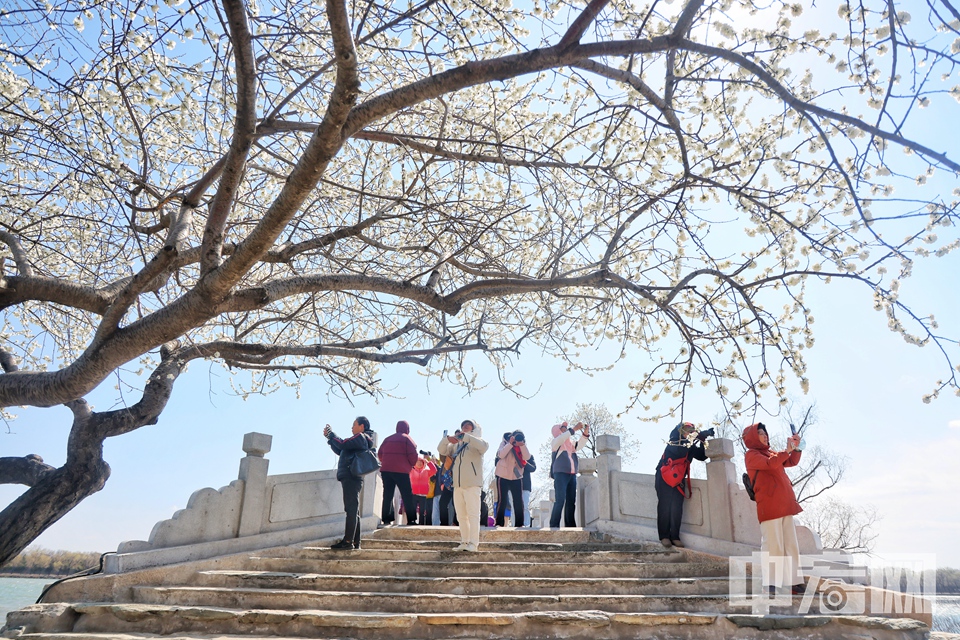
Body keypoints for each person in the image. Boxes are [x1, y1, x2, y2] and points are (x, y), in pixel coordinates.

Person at [743, 422, 804, 595]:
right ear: (753, 437)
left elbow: (790, 461)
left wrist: (795, 448)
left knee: (790, 545)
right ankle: (770, 583)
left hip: (785, 503)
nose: (765, 436)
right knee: (773, 545)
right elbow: (771, 464)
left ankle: (794, 582)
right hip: (769, 505)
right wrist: (786, 450)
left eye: (765, 433)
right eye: (760, 433)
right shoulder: (752, 455)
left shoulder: (771, 453)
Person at [324, 416, 376, 550]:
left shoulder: (360, 437)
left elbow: (342, 444)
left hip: (351, 477)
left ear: (362, 426)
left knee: (351, 510)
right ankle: (355, 542)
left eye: (354, 424)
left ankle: (348, 541)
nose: (352, 427)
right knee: (353, 510)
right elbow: (341, 450)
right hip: (352, 477)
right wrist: (330, 439)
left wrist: (332, 435)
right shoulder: (360, 440)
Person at [655, 422, 708, 548]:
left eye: (691, 431)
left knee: (677, 508)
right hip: (664, 477)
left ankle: (675, 536)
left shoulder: (690, 445)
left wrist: (702, 440)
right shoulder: (674, 441)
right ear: (680, 431)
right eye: (687, 431)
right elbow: (679, 450)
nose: (689, 433)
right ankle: (664, 536)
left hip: (678, 479)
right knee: (665, 506)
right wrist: (695, 437)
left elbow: (702, 456)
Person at [438, 419, 488, 551]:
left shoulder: (478, 442)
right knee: (461, 516)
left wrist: (466, 437)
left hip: (472, 484)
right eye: (463, 426)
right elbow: (441, 450)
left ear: (474, 428)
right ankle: (464, 542)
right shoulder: (456, 445)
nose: (464, 428)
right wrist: (447, 439)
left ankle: (474, 543)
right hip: (457, 485)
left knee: (473, 515)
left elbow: (484, 447)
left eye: (468, 426)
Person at [378, 420, 419, 526]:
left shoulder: (387, 439)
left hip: (386, 470)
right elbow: (413, 455)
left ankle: (386, 518)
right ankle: (411, 519)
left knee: (387, 494)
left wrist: (386, 462)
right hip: (401, 470)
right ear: (407, 429)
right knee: (407, 495)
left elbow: (380, 454)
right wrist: (411, 464)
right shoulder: (407, 438)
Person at [549, 421, 589, 528]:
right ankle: (554, 524)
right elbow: (562, 438)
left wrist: (585, 433)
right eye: (563, 427)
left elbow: (580, 444)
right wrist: (573, 429)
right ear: (557, 431)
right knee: (560, 500)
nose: (565, 428)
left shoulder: (570, 444)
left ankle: (570, 525)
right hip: (560, 474)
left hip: (572, 474)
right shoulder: (556, 442)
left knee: (571, 501)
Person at [494, 430, 530, 527]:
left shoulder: (522, 445)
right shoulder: (505, 443)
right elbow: (500, 454)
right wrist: (510, 444)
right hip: (503, 475)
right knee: (502, 500)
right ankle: (499, 523)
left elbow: (527, 457)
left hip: (516, 476)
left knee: (518, 500)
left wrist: (521, 445)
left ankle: (519, 524)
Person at [409, 454, 438, 526]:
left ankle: (421, 523)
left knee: (422, 511)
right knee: (413, 509)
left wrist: (428, 462)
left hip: (423, 495)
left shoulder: (426, 471)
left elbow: (434, 470)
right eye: (417, 462)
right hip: (414, 494)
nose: (419, 463)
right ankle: (412, 521)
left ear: (423, 463)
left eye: (421, 462)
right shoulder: (411, 471)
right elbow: (405, 467)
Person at [521, 453, 537, 527]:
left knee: (525, 506)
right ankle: (514, 524)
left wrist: (525, 462)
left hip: (525, 485)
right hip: (513, 483)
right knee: (513, 506)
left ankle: (526, 524)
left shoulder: (529, 456)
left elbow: (533, 468)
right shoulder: (512, 454)